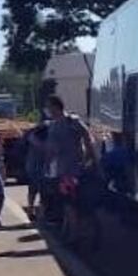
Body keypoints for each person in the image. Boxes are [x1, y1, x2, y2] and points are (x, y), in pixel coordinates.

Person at [43, 95, 94, 236]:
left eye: (49, 107)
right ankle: (76, 227)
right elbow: (87, 135)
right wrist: (89, 154)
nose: (47, 110)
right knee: (74, 201)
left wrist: (47, 165)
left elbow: (51, 150)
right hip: (77, 168)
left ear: (55, 107)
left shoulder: (56, 126)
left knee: (67, 202)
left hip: (65, 171)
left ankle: (73, 232)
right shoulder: (73, 120)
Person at [23, 123, 49, 219]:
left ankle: (31, 210)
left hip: (31, 166)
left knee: (33, 190)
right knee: (43, 192)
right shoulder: (41, 142)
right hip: (39, 168)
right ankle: (41, 214)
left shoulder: (31, 137)